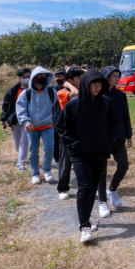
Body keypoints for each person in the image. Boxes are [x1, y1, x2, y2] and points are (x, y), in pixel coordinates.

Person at [57, 69, 122, 243]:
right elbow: (62, 128)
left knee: (93, 187)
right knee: (84, 187)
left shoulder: (106, 103)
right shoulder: (73, 105)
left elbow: (116, 124)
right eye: (93, 84)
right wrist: (75, 145)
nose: (96, 87)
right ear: (86, 84)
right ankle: (84, 226)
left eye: (99, 84)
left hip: (100, 153)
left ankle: (87, 219)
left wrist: (110, 141)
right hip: (79, 155)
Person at [97, 66, 133, 216]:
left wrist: (128, 135)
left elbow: (125, 115)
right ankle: (102, 202)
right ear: (106, 77)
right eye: (113, 76)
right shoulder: (97, 94)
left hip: (118, 137)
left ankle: (111, 189)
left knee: (124, 165)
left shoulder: (120, 95)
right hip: (102, 138)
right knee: (101, 171)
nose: (116, 79)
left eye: (118, 76)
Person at [16, 66, 56, 185]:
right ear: (33, 78)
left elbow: (56, 108)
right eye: (38, 77)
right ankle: (35, 173)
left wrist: (54, 121)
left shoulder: (51, 92)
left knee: (49, 148)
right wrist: (26, 121)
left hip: (48, 125)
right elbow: (21, 109)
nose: (41, 79)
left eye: (43, 77)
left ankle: (47, 171)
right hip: (31, 127)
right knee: (33, 151)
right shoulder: (26, 93)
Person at [56, 66, 84, 200]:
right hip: (67, 132)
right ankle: (63, 188)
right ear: (71, 80)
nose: (81, 80)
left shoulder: (83, 89)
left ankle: (85, 186)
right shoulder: (62, 91)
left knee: (83, 162)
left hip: (80, 130)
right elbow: (76, 94)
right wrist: (65, 83)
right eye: (78, 78)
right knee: (65, 162)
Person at [0, 67, 31, 170]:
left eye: (28, 77)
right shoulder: (13, 91)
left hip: (28, 119)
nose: (27, 79)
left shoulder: (34, 89)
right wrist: (4, 119)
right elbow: (6, 105)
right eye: (24, 77)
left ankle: (20, 163)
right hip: (15, 119)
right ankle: (21, 157)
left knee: (24, 140)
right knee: (17, 141)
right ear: (19, 78)